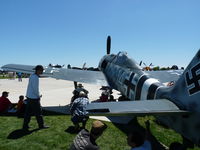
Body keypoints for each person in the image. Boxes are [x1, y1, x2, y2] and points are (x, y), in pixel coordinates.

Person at [22, 65, 48, 130]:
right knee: (38, 112)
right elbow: (35, 88)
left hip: (29, 97)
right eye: (42, 70)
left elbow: (31, 87)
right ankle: (41, 125)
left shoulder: (32, 75)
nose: (42, 71)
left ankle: (25, 126)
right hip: (33, 98)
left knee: (28, 113)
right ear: (38, 70)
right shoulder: (35, 77)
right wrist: (38, 95)